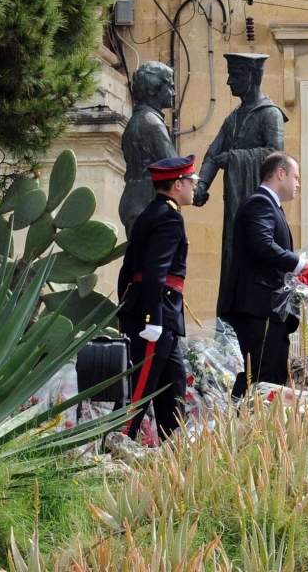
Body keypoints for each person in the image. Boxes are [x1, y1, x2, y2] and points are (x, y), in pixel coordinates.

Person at [193, 53, 286, 309]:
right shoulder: (233, 118)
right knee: (233, 254)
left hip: (258, 205)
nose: (229, 82)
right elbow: (213, 153)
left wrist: (234, 158)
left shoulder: (270, 114)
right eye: (230, 75)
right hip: (235, 203)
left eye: (236, 75)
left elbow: (275, 155)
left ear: (254, 76)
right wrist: (202, 184)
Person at [116, 155, 198, 443]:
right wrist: (152, 318)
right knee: (140, 385)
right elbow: (155, 271)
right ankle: (118, 442)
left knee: (172, 382)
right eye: (192, 182)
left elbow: (127, 271)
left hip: (155, 310)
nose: (194, 187)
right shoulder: (169, 217)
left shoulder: (152, 213)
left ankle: (172, 447)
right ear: (178, 184)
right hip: (156, 312)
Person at [219, 152, 307, 399]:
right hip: (257, 309)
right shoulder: (259, 203)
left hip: (270, 311)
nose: (298, 184)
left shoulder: (270, 206)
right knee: (258, 375)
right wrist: (300, 263)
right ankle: (239, 426)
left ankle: (260, 429)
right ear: (281, 173)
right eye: (296, 177)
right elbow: (262, 243)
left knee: (273, 376)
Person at [119, 61, 178, 237]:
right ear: (154, 90)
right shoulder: (151, 123)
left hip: (136, 203)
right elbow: (175, 166)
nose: (173, 93)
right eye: (170, 86)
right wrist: (196, 189)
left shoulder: (139, 120)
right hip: (148, 204)